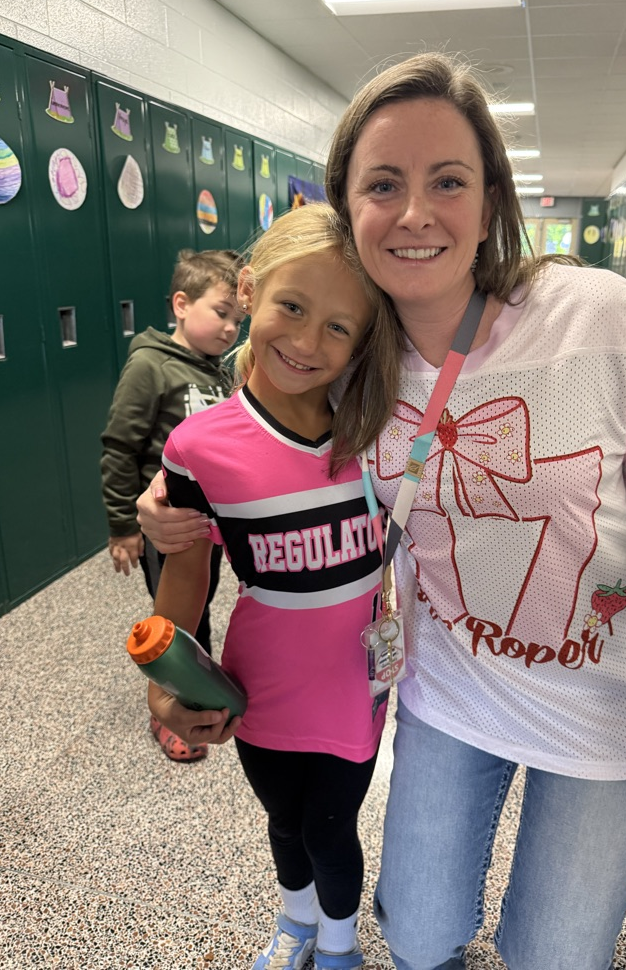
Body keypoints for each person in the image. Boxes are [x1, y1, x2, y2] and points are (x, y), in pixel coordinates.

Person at [137, 53, 626, 970]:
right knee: (413, 933)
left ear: (490, 200)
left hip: (610, 701)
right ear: (347, 208)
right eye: (383, 184)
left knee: (553, 956)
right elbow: (250, 454)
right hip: (454, 687)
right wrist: (170, 507)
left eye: (448, 181)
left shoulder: (597, 315)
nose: (415, 213)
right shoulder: (349, 365)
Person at [146, 204, 399, 970]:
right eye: (292, 306)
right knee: (284, 821)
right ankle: (295, 924)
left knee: (331, 827)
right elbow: (188, 573)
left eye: (338, 327)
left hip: (355, 684)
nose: (307, 341)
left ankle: (340, 945)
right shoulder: (198, 447)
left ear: (362, 341)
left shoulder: (378, 433)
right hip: (262, 684)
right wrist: (164, 686)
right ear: (249, 290)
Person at [101, 247, 244, 761]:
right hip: (169, 528)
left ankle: (200, 685)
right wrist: (123, 527)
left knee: (201, 607)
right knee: (178, 625)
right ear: (181, 304)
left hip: (209, 528)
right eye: (221, 313)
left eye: (238, 319)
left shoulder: (219, 372)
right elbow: (120, 448)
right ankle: (173, 711)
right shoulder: (150, 366)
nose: (231, 328)